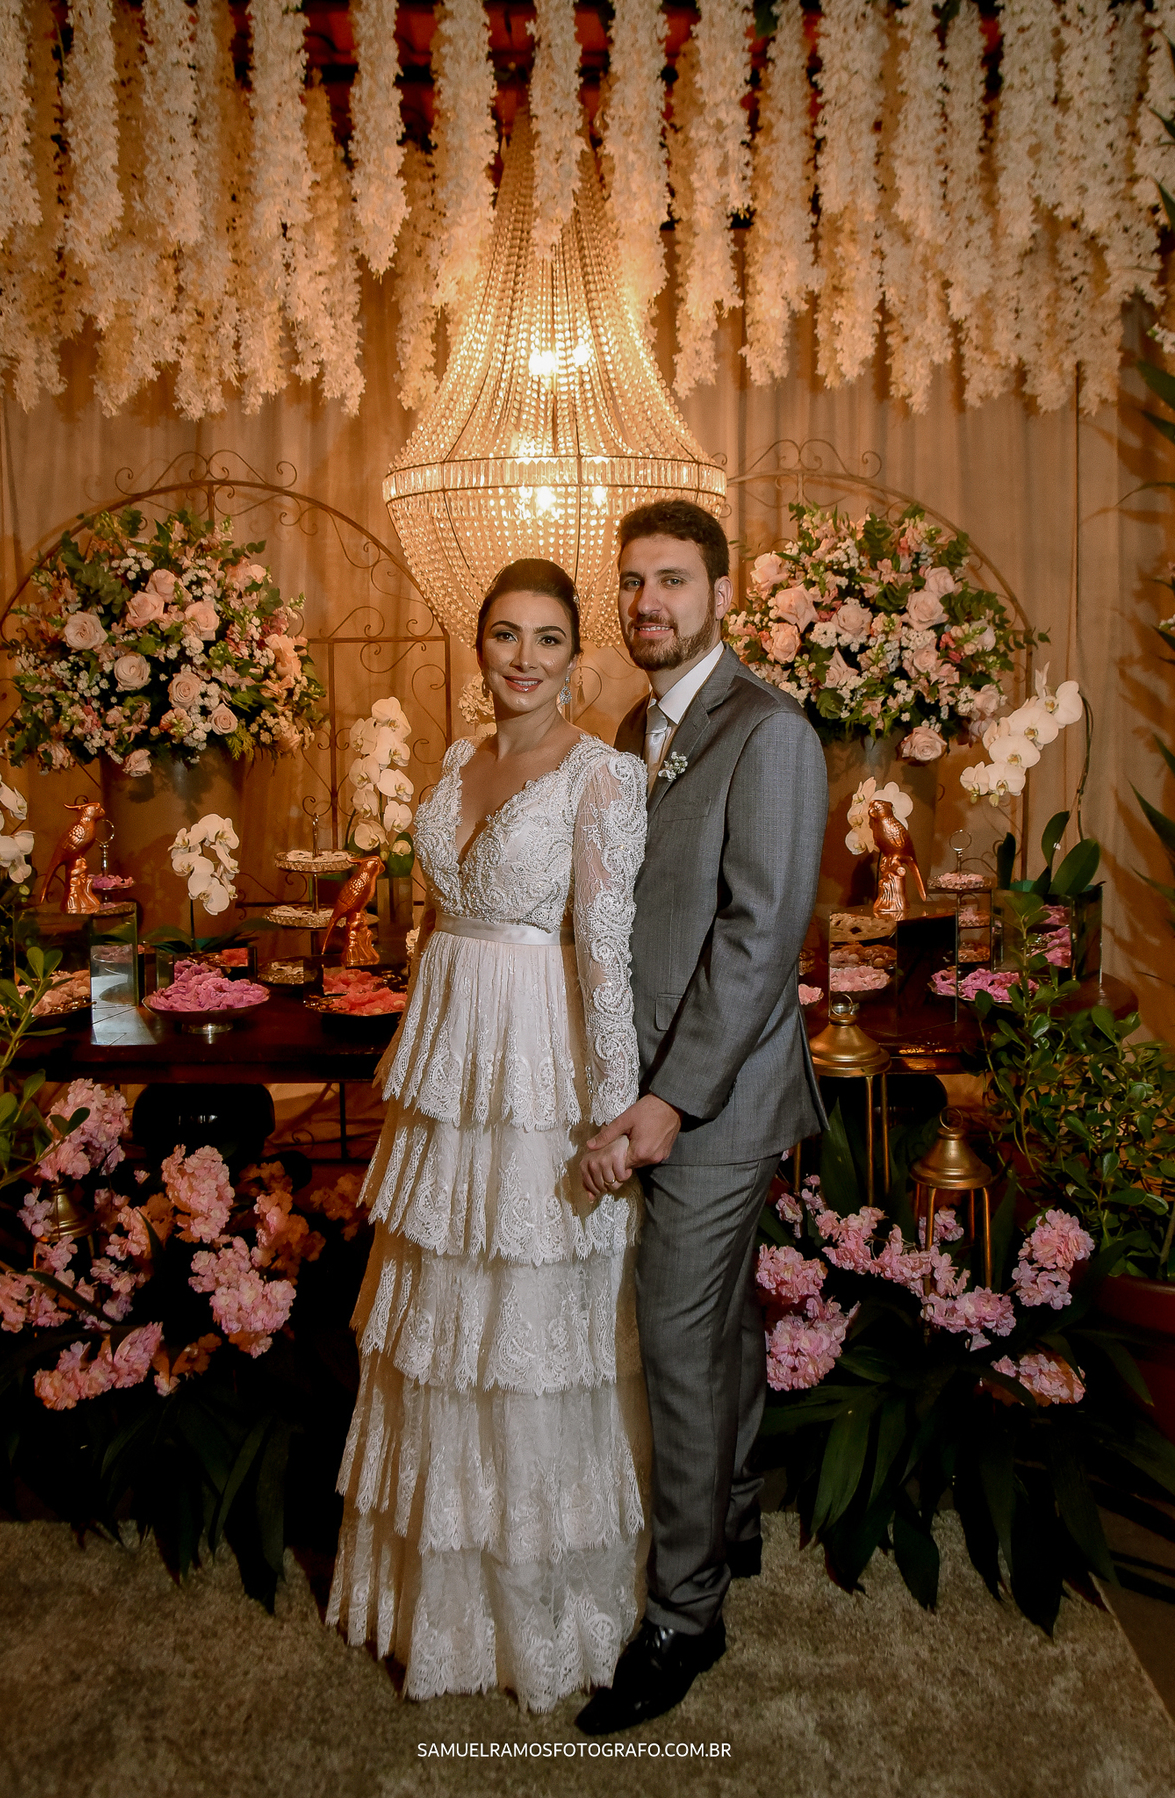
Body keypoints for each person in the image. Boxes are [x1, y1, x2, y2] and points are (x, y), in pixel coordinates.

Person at [327, 558, 651, 1713]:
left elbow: (606, 954)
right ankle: (439, 1610)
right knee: (443, 1318)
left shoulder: (603, 775)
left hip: (538, 1069)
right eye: (506, 635)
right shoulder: (460, 758)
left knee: (527, 1323)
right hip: (450, 1063)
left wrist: (614, 1112)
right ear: (479, 647)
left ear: (577, 658)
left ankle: (546, 1613)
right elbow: (435, 917)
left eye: (548, 639)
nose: (525, 658)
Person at [576, 500, 828, 1734]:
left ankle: (685, 1615)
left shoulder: (770, 732)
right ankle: (731, 1518)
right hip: (654, 1080)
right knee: (718, 1325)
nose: (648, 604)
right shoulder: (638, 726)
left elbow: (759, 936)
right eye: (633, 582)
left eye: (673, 580)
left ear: (722, 593)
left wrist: (672, 1098)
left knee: (675, 1338)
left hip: (715, 1099)